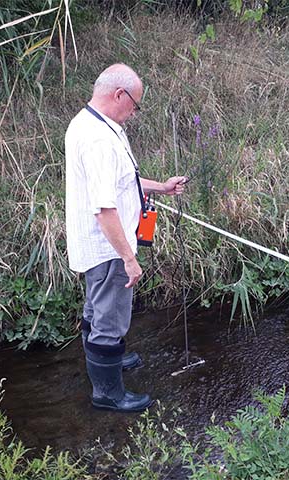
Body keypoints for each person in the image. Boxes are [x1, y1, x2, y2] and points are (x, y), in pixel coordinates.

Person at [64, 63, 187, 412]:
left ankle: (110, 362)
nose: (135, 112)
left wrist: (160, 187)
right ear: (118, 95)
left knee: (97, 308)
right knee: (109, 317)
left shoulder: (92, 123)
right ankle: (108, 394)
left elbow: (122, 181)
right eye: (135, 103)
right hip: (109, 247)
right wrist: (129, 259)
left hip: (101, 244)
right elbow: (105, 209)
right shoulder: (99, 139)